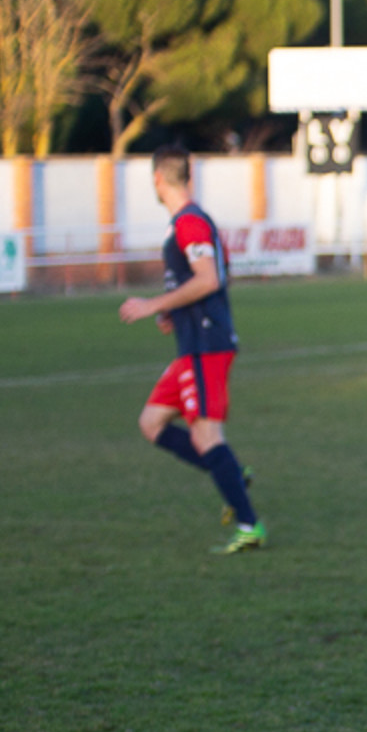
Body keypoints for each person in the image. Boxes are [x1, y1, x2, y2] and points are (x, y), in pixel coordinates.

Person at [118, 145, 263, 553]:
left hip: (206, 345)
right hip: (191, 341)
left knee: (206, 435)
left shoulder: (190, 223)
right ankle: (231, 473)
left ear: (157, 179)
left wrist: (152, 305)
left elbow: (209, 279)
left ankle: (250, 523)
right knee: (151, 423)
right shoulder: (188, 222)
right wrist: (174, 314)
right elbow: (212, 278)